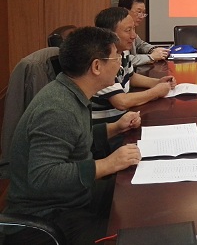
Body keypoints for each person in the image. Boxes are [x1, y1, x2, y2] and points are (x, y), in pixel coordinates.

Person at [3, 27, 142, 244]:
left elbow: (75, 139)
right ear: (96, 66)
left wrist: (115, 127)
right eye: (116, 57)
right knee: (133, 234)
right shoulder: (57, 109)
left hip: (75, 198)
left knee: (135, 198)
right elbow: (43, 176)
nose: (119, 63)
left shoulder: (71, 92)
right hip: (49, 215)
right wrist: (107, 164)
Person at [93, 7, 176, 123]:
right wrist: (156, 92)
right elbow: (121, 102)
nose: (134, 36)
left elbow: (131, 76)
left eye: (134, 29)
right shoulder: (104, 60)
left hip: (124, 120)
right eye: (128, 30)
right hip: (106, 126)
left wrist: (157, 82)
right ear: (110, 34)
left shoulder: (123, 51)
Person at [118, 0, 169, 67]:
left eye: (143, 13)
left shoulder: (132, 28)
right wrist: (151, 57)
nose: (142, 16)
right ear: (125, 11)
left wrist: (154, 49)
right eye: (139, 12)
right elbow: (123, 60)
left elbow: (140, 44)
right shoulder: (117, 29)